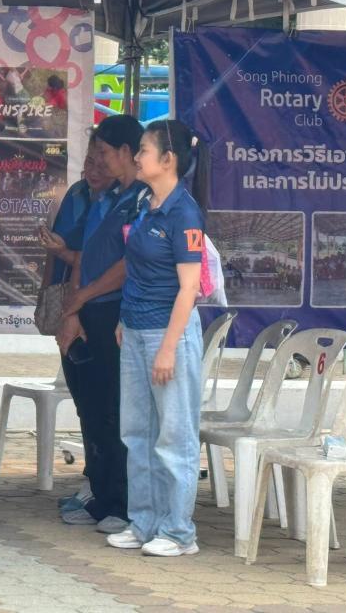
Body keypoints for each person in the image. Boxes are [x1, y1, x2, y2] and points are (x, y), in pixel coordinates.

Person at [107, 119, 209, 557]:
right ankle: (144, 522)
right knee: (137, 433)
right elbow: (137, 270)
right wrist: (124, 320)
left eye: (144, 151)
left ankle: (179, 532)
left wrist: (168, 348)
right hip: (135, 330)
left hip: (168, 335)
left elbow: (189, 288)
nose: (136, 157)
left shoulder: (184, 213)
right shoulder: (144, 203)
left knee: (174, 437)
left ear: (168, 160)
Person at [57, 114, 145, 532]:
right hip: (89, 310)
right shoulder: (105, 198)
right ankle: (102, 494)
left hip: (116, 313)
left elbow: (129, 263)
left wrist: (86, 296)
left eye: (104, 152)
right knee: (93, 410)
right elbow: (85, 256)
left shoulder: (142, 200)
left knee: (116, 410)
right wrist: (72, 311)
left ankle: (123, 503)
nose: (99, 160)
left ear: (127, 152)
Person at [39, 134, 114, 514]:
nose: (94, 168)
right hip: (68, 302)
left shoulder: (120, 202)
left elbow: (92, 260)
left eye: (103, 160)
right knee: (84, 400)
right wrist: (49, 298)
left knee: (106, 406)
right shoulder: (77, 194)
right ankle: (93, 481)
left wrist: (62, 252)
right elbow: (61, 252)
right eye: (89, 160)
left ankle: (107, 489)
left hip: (98, 308)